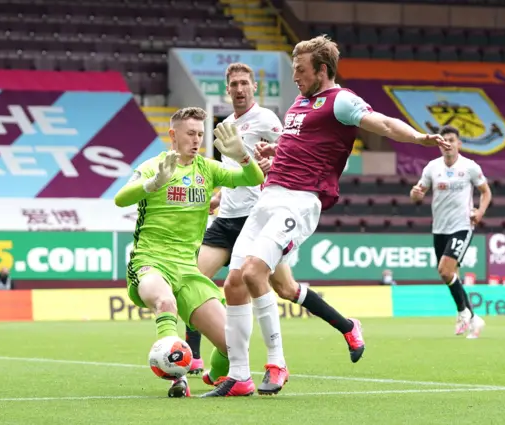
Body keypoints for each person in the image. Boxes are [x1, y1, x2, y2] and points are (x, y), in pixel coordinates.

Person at [202, 35, 450, 398]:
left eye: (301, 71)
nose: (295, 77)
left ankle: (276, 363)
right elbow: (295, 144)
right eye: (293, 70)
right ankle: (239, 375)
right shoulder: (299, 104)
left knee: (256, 273)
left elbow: (381, 124)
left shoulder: (342, 101)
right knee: (234, 283)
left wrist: (420, 137)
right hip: (268, 195)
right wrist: (274, 150)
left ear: (322, 69)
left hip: (300, 202)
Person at [190, 62, 370, 389]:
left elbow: (291, 155)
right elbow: (233, 173)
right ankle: (197, 355)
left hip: (261, 217)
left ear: (253, 88)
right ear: (227, 89)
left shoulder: (268, 120)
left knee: (286, 289)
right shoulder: (226, 124)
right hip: (227, 219)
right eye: (235, 84)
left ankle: (345, 326)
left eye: (245, 83)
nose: (240, 89)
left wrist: (269, 161)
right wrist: (217, 198)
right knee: (191, 280)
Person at [114, 106, 264, 398]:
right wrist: (151, 184)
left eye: (200, 134)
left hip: (188, 269)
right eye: (190, 134)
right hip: (150, 262)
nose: (196, 140)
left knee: (235, 345)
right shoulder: (154, 166)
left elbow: (252, 178)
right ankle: (177, 377)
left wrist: (242, 156)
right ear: (173, 135)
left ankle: (215, 374)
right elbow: (120, 199)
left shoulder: (207, 169)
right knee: (164, 301)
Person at [409, 125, 491, 339]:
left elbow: (485, 192)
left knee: (445, 271)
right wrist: (415, 193)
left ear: (459, 144)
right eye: (444, 140)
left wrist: (480, 211)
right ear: (439, 144)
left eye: (452, 140)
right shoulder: (432, 168)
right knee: (451, 275)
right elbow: (418, 194)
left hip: (462, 226)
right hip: (439, 228)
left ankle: (463, 312)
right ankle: (474, 319)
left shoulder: (470, 167)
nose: (448, 144)